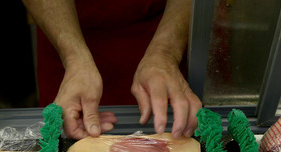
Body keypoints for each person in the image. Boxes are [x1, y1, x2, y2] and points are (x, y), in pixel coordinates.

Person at [23, 0, 202, 139]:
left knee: (173, 126)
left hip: (163, 27)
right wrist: (73, 58)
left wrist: (166, 52)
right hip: (62, 30)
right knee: (67, 129)